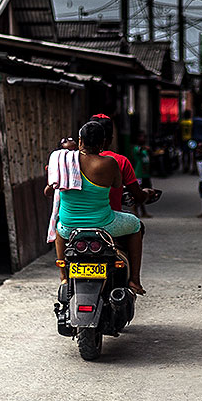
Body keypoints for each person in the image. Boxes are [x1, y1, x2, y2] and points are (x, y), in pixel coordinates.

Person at [47, 121, 146, 295]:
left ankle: (63, 277)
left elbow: (49, 188)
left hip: (69, 227)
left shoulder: (63, 160)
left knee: (59, 228)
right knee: (135, 224)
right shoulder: (109, 163)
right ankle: (135, 281)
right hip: (103, 224)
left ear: (80, 141)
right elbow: (117, 184)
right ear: (103, 143)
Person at [130, 130, 153, 218]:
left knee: (145, 192)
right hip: (139, 175)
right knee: (138, 192)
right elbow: (138, 151)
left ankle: (143, 211)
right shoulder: (136, 148)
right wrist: (144, 148)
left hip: (146, 174)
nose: (143, 138)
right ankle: (135, 209)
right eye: (141, 137)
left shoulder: (145, 150)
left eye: (144, 137)